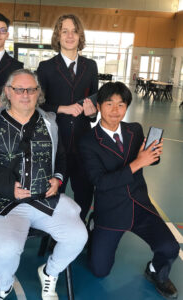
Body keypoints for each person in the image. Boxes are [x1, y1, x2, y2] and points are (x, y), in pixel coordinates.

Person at [0, 69, 87, 300]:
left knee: (78, 236)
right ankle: (3, 287)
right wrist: (7, 187)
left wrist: (59, 178)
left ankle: (49, 272)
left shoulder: (49, 123)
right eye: (19, 89)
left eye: (31, 89)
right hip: (4, 202)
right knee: (6, 248)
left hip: (45, 199)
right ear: (8, 92)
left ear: (38, 93)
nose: (25, 94)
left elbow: (61, 157)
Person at [79, 81, 179, 299]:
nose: (115, 110)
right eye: (109, 104)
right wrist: (138, 162)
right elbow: (100, 182)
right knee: (99, 270)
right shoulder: (88, 141)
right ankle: (95, 226)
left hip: (139, 204)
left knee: (170, 247)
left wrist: (153, 155)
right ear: (98, 106)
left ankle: (156, 273)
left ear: (127, 107)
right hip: (111, 209)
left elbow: (148, 161)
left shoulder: (134, 129)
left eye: (121, 104)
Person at [37, 14, 98, 221]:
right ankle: (56, 231)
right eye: (65, 31)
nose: (70, 35)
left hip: (83, 141)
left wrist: (93, 113)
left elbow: (95, 100)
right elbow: (38, 104)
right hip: (56, 140)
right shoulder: (46, 67)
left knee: (84, 190)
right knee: (54, 189)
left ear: (80, 36)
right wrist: (63, 108)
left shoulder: (90, 66)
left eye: (74, 31)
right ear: (58, 36)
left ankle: (79, 226)